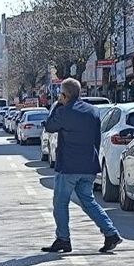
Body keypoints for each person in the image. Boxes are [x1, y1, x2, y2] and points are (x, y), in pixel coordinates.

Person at [42, 78, 121, 254]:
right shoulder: (92, 111)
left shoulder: (64, 111)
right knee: (88, 201)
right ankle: (111, 232)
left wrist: (56, 105)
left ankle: (63, 239)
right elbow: (96, 139)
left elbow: (49, 126)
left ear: (64, 95)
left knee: (60, 203)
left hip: (69, 167)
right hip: (89, 165)